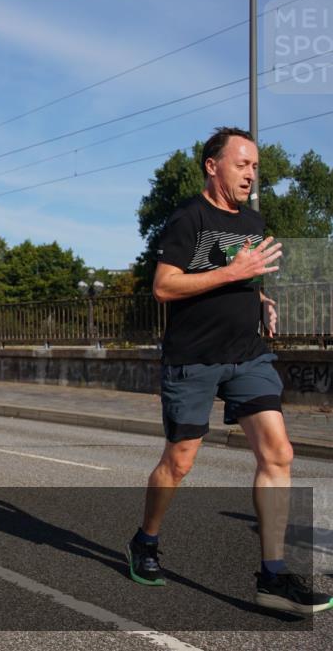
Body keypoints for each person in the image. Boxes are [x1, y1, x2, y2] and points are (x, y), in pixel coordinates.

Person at [126, 127, 332, 615]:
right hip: (193, 357)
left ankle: (273, 575)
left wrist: (261, 299)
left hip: (248, 354)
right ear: (212, 165)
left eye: (255, 166)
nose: (251, 174)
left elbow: (245, 278)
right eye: (242, 164)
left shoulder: (254, 221)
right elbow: (164, 286)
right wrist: (233, 274)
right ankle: (146, 541)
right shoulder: (187, 218)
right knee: (179, 463)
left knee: (278, 452)